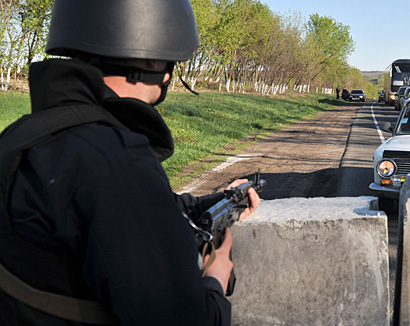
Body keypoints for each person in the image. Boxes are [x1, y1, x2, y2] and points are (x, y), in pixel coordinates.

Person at [0, 0, 259, 325]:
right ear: (153, 55)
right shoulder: (115, 160)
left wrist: (216, 201)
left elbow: (108, 212)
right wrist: (215, 281)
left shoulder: (22, 136)